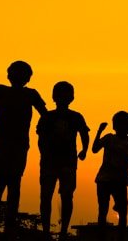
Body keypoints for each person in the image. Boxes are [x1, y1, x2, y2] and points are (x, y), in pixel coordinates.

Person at [0, 61, 47, 240]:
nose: (19, 76)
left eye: (23, 74)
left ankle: (9, 225)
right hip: (0, 142)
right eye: (16, 73)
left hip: (19, 143)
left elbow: (45, 115)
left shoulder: (31, 94)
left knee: (14, 183)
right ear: (9, 74)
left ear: (28, 78)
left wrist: (43, 130)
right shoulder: (0, 91)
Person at [37, 81, 89, 241]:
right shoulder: (47, 116)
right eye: (59, 93)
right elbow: (41, 138)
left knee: (66, 196)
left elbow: (84, 134)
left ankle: (63, 231)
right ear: (53, 96)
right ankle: (46, 231)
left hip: (68, 162)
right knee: (46, 196)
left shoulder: (76, 116)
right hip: (49, 162)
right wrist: (44, 153)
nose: (63, 96)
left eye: (66, 93)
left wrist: (84, 150)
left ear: (72, 97)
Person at [92, 111, 128, 241]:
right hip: (104, 180)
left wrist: (117, 147)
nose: (121, 128)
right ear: (114, 126)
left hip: (119, 180)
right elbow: (94, 149)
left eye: (124, 125)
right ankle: (101, 237)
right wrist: (99, 132)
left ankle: (121, 237)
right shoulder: (109, 138)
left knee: (123, 212)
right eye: (118, 125)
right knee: (103, 210)